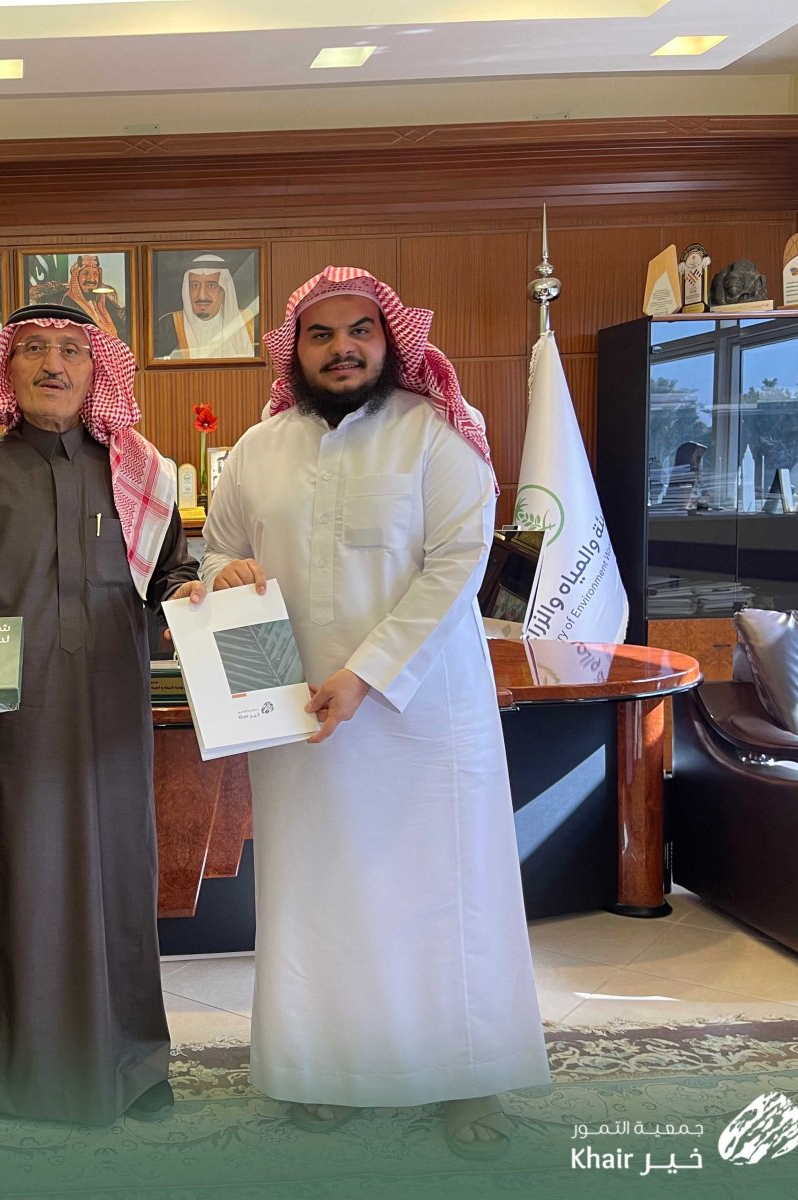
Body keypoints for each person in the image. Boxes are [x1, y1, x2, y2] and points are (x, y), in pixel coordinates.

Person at [198, 266, 550, 1158]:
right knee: (319, 899)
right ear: (295, 351)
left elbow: (458, 567)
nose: (342, 348)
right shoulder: (257, 449)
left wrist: (365, 674)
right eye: (321, 334)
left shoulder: (437, 437)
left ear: (390, 341)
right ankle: (327, 1071)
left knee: (446, 899)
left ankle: (469, 1078)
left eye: (360, 330)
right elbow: (215, 555)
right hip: (300, 722)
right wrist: (222, 574)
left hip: (422, 719)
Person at [0, 302, 201, 1127]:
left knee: (116, 886)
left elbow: (171, 576)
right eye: (33, 348)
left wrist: (192, 595)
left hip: (107, 727)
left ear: (96, 371)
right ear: (6, 369)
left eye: (71, 349)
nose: (52, 364)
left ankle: (133, 1066)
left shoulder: (140, 472)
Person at [154, 253, 256, 360]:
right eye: (195, 285)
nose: (202, 295)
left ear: (224, 290)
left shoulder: (248, 322)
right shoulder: (169, 325)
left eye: (211, 285)